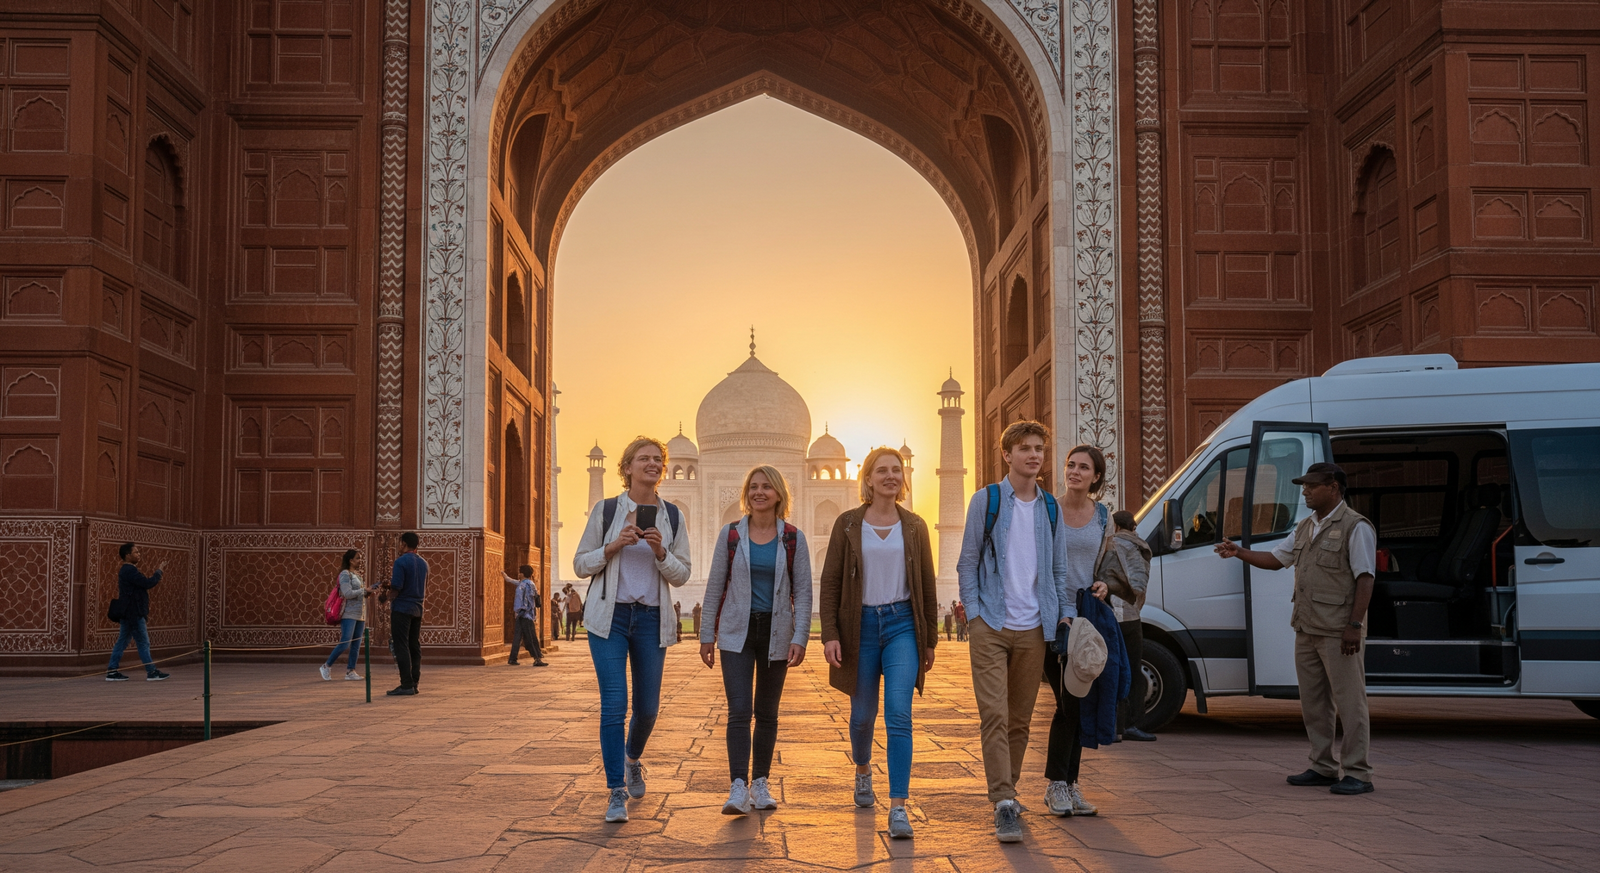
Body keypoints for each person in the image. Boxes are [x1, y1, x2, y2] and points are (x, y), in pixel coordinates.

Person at [1216, 461, 1376, 795]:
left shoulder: (1355, 526)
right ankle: (1322, 766)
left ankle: (1358, 772)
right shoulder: (1305, 526)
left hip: (1339, 631)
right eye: (1304, 486)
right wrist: (1240, 552)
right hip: (1307, 627)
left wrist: (1354, 625)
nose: (1305, 491)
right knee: (1314, 703)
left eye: (1311, 486)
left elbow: (1365, 578)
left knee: (1350, 703)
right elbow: (1277, 560)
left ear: (1333, 487)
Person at [955, 420, 1071, 843]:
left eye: (1039, 447)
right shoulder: (986, 500)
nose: (1033, 455)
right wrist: (975, 616)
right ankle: (1003, 800)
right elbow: (967, 562)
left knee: (1020, 719)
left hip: (1035, 627)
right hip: (991, 623)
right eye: (1024, 448)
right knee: (995, 715)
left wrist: (1065, 614)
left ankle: (1009, 790)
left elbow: (1059, 570)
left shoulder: (1050, 507)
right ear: (1007, 454)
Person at [819, 446, 938, 840]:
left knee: (899, 714)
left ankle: (898, 807)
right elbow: (831, 581)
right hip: (861, 627)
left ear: (903, 477)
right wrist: (831, 634)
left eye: (896, 470)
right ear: (867, 478)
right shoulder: (848, 524)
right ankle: (863, 768)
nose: (890, 476)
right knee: (862, 717)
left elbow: (926, 583)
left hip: (902, 625)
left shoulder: (915, 525)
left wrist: (930, 640)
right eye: (882, 470)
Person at [573, 436, 691, 823]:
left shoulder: (672, 516)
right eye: (644, 458)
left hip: (651, 619)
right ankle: (615, 790)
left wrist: (660, 552)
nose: (652, 464)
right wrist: (612, 546)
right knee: (614, 705)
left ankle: (632, 758)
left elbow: (682, 574)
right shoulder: (607, 511)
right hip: (611, 617)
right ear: (627, 468)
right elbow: (580, 564)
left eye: (658, 459)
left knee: (648, 709)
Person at [700, 465, 813, 815]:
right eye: (753, 487)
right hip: (738, 630)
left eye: (766, 487)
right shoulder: (731, 534)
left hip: (776, 631)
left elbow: (803, 591)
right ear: (746, 493)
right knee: (739, 710)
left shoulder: (792, 538)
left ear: (779, 493)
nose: (759, 492)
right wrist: (706, 635)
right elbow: (715, 585)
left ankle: (760, 782)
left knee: (767, 712)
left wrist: (800, 636)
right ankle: (738, 785)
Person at [1040, 445, 1112, 817]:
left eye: (1084, 467)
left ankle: (1069, 783)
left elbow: (1108, 564)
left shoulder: (1102, 516)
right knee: (1068, 702)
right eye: (1071, 465)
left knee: (1080, 701)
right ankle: (1057, 784)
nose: (1075, 472)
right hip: (1053, 619)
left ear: (1096, 476)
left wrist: (1105, 584)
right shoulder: (1047, 510)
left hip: (1086, 620)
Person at [1101, 510, 1155, 741]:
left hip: (1112, 615)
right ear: (1133, 527)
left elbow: (1102, 576)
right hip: (1132, 616)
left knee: (1112, 671)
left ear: (1114, 526)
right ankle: (1132, 724)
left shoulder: (1110, 545)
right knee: (1133, 671)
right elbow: (1139, 585)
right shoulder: (1141, 547)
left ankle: (1112, 726)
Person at [106, 542, 168, 681]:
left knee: (122, 642)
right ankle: (151, 672)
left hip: (128, 613)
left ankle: (112, 671)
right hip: (134, 613)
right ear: (128, 555)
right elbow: (147, 583)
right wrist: (159, 571)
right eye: (136, 552)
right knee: (143, 643)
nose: (139, 554)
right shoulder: (129, 570)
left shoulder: (128, 570)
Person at [322, 549, 378, 681]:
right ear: (351, 560)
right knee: (345, 643)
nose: (360, 560)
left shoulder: (357, 575)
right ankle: (326, 665)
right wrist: (364, 590)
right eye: (357, 558)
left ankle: (350, 671)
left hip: (360, 613)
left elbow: (358, 593)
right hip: (349, 614)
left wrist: (368, 592)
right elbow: (347, 593)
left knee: (356, 645)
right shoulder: (345, 574)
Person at [385, 531, 428, 696]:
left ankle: (406, 684)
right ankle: (414, 682)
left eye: (399, 542)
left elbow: (397, 586)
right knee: (413, 645)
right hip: (417, 608)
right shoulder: (423, 563)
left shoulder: (400, 562)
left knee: (401, 644)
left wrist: (387, 596)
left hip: (402, 608)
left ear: (403, 544)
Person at [505, 564, 548, 667]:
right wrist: (505, 576)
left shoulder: (526, 585)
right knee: (523, 637)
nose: (518, 574)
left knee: (529, 637)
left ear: (523, 574)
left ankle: (535, 658)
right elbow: (513, 581)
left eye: (520, 572)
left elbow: (527, 599)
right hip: (524, 614)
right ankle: (516, 658)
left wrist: (521, 610)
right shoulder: (526, 584)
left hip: (524, 614)